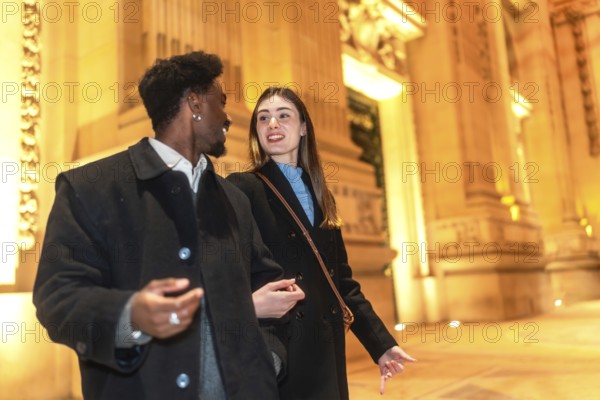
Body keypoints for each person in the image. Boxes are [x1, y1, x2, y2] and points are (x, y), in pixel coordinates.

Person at [33, 52, 304, 400]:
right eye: (221, 103)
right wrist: (130, 318)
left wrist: (268, 360)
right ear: (195, 103)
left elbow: (267, 289)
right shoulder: (88, 188)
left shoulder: (235, 200)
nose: (228, 119)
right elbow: (57, 299)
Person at [228, 87, 416, 399]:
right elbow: (226, 268)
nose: (272, 124)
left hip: (327, 349)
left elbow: (342, 283)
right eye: (263, 118)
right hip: (282, 348)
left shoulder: (321, 196)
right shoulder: (242, 188)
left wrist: (381, 345)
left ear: (303, 128)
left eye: (283, 116)